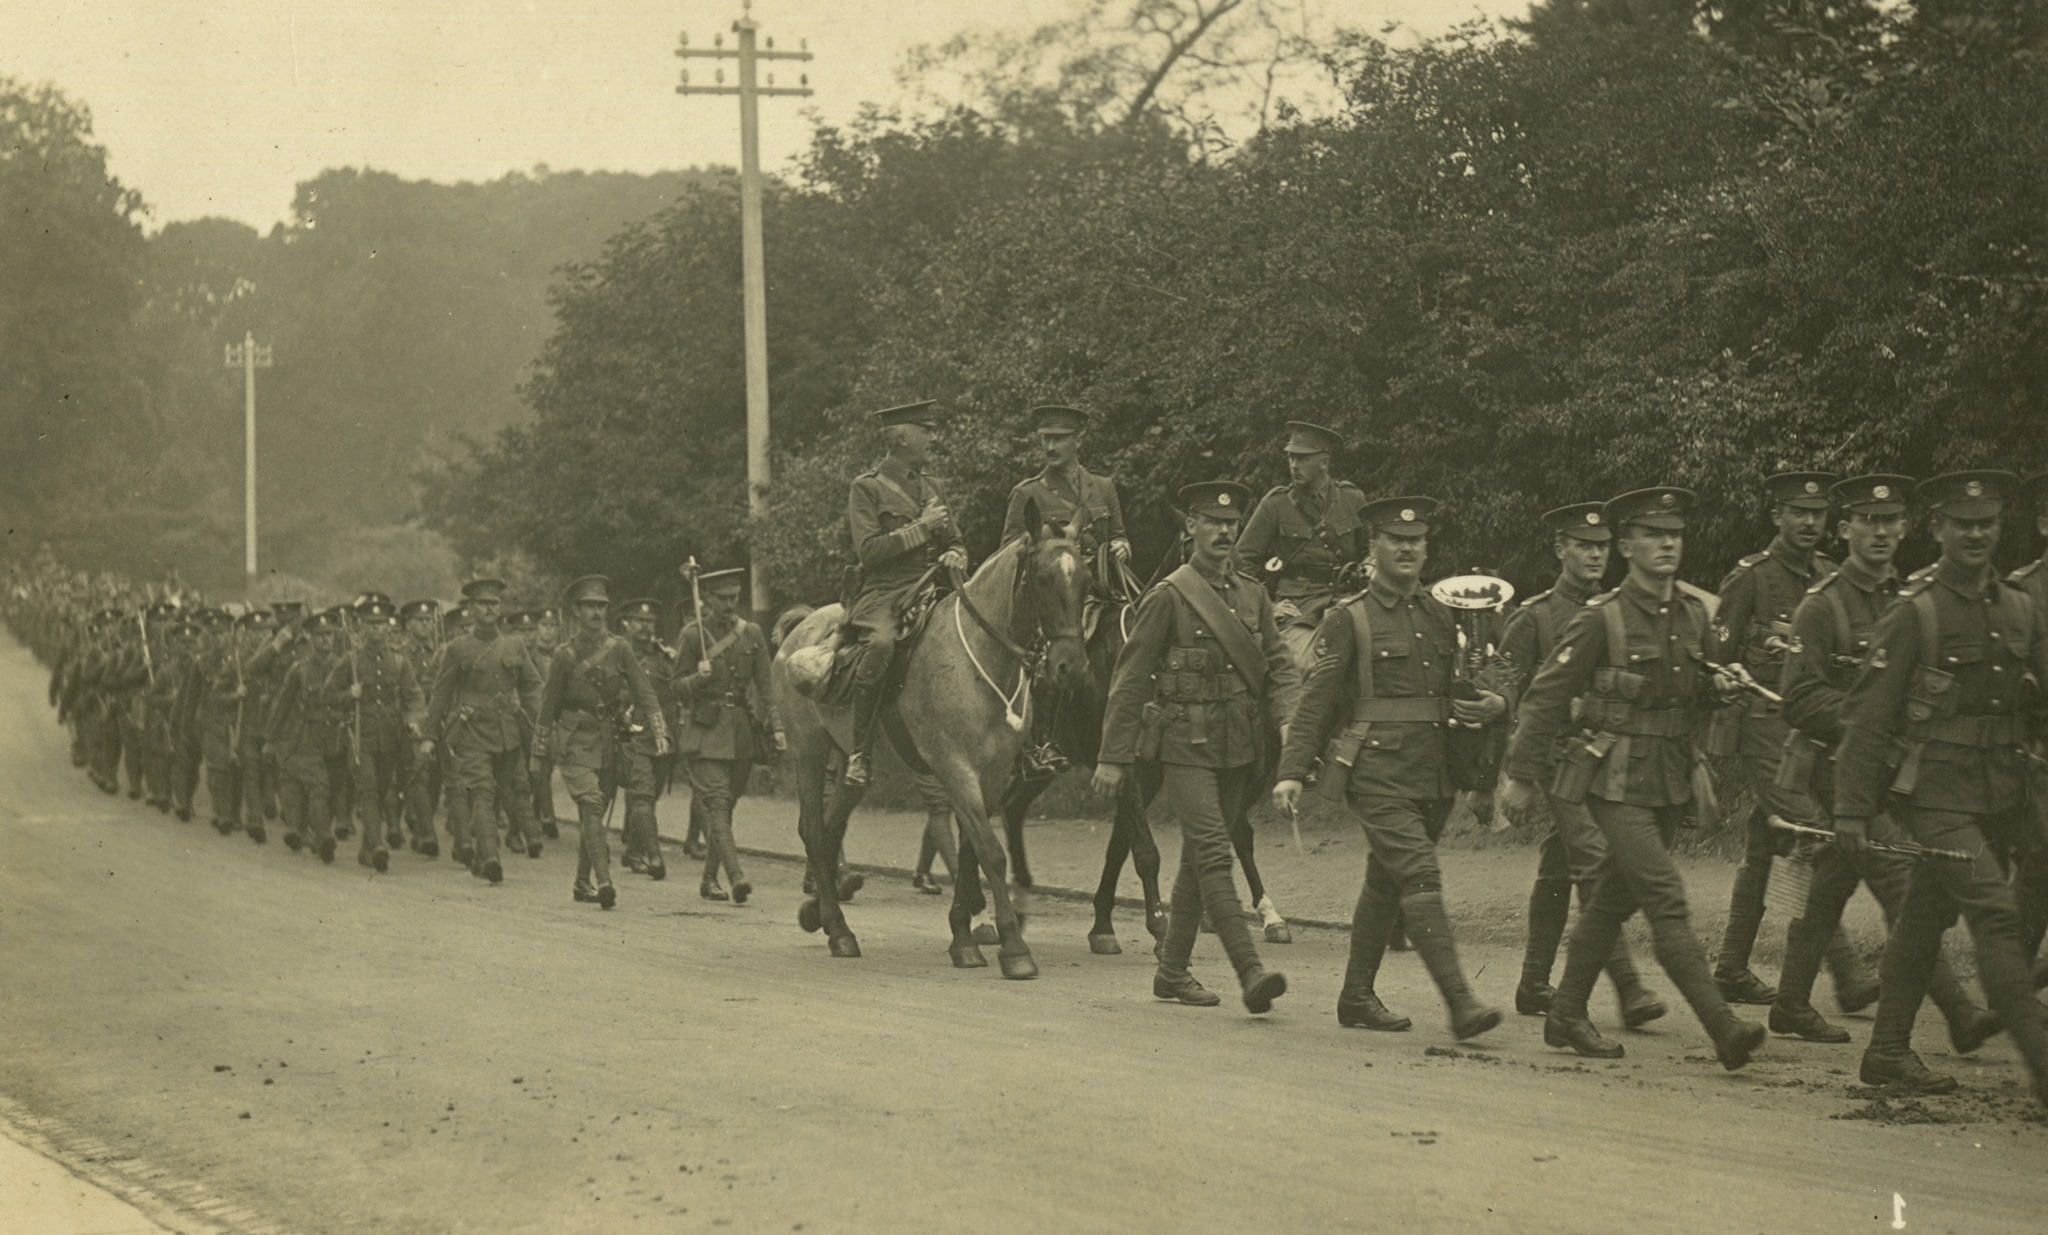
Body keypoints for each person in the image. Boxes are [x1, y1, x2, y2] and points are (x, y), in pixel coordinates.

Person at [1502, 486, 1768, 1070]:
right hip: (1613, 782)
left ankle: (1567, 1011)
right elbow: (1547, 697)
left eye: (1674, 534)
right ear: (1627, 547)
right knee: (1664, 899)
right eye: (1653, 534)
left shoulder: (1695, 614)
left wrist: (1715, 689)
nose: (1667, 543)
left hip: (1670, 781)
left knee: (1612, 901)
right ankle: (1722, 1027)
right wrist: (1520, 776)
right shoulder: (1603, 618)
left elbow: (1689, 693)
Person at [1834, 471, 2048, 1102]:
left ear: (2000, 528)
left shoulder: (2018, 607)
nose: (1976, 534)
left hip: (2003, 793)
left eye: (1986, 524)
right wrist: (1850, 811)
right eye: (1963, 524)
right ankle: (2042, 1065)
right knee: (1997, 914)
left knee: (1925, 917)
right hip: (1933, 795)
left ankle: (1887, 1053)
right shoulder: (1916, 610)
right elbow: (1867, 718)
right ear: (1938, 529)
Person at [1769, 474, 2001, 1049]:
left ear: (1905, 528)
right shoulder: (1822, 606)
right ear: (1845, 529)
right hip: (1836, 765)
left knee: (1835, 878)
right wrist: (1870, 719)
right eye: (1867, 522)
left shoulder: (1910, 599)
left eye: (1889, 522)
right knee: (1903, 882)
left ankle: (1791, 1002)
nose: (1879, 533)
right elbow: (1798, 696)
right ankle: (1961, 1013)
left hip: (1891, 770)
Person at [1273, 496, 1508, 1039]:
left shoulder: (1443, 613)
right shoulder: (1347, 618)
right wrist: (1291, 769)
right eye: (1395, 540)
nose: (1407, 548)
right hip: (1375, 769)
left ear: (1426, 550)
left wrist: (1496, 702)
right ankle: (1461, 1002)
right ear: (1372, 547)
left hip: (1434, 772)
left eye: (1416, 541)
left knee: (1387, 881)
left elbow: (1483, 677)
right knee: (1419, 872)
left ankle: (1356, 996)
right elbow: (1316, 701)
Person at [1096, 480, 1297, 1014]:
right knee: (1213, 852)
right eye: (1213, 522)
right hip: (1184, 742)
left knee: (1194, 864)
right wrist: (1114, 757)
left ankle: (1171, 973)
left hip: (1241, 746)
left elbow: (1278, 668)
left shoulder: (1254, 594)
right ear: (1191, 528)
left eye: (1233, 523)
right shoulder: (1169, 596)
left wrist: (1289, 725)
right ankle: (1250, 971)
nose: (1225, 531)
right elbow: (1130, 680)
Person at [1709, 472, 1874, 1008]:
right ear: (1776, 515)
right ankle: (1847, 976)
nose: (1808, 523)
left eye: (1817, 514)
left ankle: (1732, 969)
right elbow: (1718, 654)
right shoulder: (1750, 578)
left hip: (1809, 737)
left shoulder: (1830, 577)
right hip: (1761, 729)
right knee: (1815, 838)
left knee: (1766, 846)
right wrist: (1723, 675)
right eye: (1797, 513)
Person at [1501, 504, 1664, 1027]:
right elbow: (1505, 685)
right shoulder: (1535, 617)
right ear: (1559, 550)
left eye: (1600, 546)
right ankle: (1630, 988)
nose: (1594, 555)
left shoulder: (1620, 611)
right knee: (1595, 860)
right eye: (1582, 546)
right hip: (1556, 760)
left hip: (1608, 760)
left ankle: (1533, 982)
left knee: (1559, 863)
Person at [1000, 404, 1132, 778]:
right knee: (1047, 661)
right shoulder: (1028, 494)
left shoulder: (1103, 487)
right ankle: (1042, 744)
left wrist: (1122, 545)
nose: (1050, 446)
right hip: (1053, 600)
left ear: (1078, 440)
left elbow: (1119, 533)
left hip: (1099, 591)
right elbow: (1010, 552)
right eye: (1045, 439)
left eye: (1059, 439)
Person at [843, 400, 968, 787]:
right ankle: (860, 752)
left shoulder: (934, 486)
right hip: (885, 595)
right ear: (900, 437)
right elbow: (870, 551)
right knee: (881, 645)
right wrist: (924, 528)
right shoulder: (866, 488)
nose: (934, 437)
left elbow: (959, 542)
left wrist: (955, 553)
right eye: (925, 430)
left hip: (933, 590)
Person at [535, 576, 669, 909]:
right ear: (576, 612)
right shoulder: (564, 657)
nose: (596, 613)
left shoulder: (620, 649)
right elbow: (548, 708)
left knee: (594, 813)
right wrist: (539, 753)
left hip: (609, 740)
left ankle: (582, 882)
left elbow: (644, 691)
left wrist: (659, 728)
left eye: (601, 606)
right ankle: (605, 881)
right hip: (575, 740)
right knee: (593, 805)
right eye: (589, 606)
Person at [425, 578, 544, 886]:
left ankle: (480, 851)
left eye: (494, 604)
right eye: (482, 604)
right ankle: (491, 856)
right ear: (472, 608)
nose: (489, 609)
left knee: (497, 793)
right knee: (481, 790)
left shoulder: (514, 645)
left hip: (507, 732)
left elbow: (531, 685)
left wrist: (540, 715)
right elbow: (440, 694)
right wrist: (428, 736)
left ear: (500, 609)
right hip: (471, 731)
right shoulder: (457, 649)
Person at [675, 567, 783, 904]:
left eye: (734, 597)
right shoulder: (694, 635)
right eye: (722, 598)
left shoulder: (750, 634)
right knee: (718, 802)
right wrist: (697, 680)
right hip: (705, 733)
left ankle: (709, 880)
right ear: (706, 598)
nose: (729, 603)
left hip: (740, 735)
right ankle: (736, 876)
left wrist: (777, 726)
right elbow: (676, 688)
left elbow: (766, 687)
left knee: (727, 806)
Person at [1233, 421, 1367, 671]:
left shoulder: (1352, 498)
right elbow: (1241, 563)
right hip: (1298, 609)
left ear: (1324, 462)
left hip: (1348, 601)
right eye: (1291, 458)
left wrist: (1371, 566)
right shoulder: (1275, 504)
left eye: (1303, 458)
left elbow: (1370, 552)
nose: (1294, 465)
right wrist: (1266, 607)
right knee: (1301, 666)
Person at [324, 597, 426, 872]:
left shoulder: (399, 661)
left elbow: (414, 696)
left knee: (382, 791)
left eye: (381, 624)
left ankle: (367, 849)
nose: (377, 629)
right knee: (367, 789)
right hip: (361, 737)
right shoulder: (352, 661)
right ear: (361, 628)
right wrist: (349, 694)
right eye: (371, 624)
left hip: (390, 738)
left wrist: (415, 721)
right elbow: (328, 694)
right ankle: (378, 844)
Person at [266, 610, 343, 863]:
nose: (325, 641)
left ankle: (312, 831)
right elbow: (282, 706)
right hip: (308, 738)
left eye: (329, 635)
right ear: (310, 638)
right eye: (320, 636)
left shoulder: (344, 667)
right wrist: (271, 738)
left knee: (333, 788)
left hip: (338, 739)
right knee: (319, 786)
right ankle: (323, 836)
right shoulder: (299, 671)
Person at [615, 596, 675, 879]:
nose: (645, 627)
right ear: (626, 622)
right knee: (642, 794)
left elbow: (673, 695)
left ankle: (633, 851)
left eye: (649, 622)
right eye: (639, 621)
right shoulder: (615, 654)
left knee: (652, 796)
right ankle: (654, 856)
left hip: (660, 736)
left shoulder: (664, 658)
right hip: (629, 735)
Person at [397, 600, 444, 856]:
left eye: (429, 620)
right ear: (409, 624)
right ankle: (425, 831)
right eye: (420, 620)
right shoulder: (401, 653)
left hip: (435, 720)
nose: (426, 625)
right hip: (410, 721)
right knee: (418, 772)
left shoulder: (440, 651)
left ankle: (418, 817)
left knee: (435, 778)